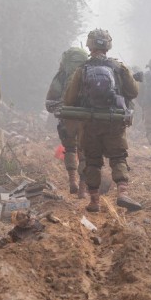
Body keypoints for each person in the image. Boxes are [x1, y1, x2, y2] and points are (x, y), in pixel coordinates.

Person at [62, 28, 143, 213]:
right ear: (108, 45)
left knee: (92, 161)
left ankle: (95, 202)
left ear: (89, 45)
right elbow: (134, 92)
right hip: (114, 122)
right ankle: (122, 193)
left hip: (89, 124)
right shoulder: (119, 67)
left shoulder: (82, 70)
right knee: (118, 157)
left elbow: (69, 100)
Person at [45, 47, 89, 197]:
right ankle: (83, 190)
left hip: (68, 118)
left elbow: (51, 99)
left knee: (70, 149)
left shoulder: (62, 74)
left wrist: (59, 109)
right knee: (85, 153)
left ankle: (72, 181)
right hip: (87, 119)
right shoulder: (91, 71)